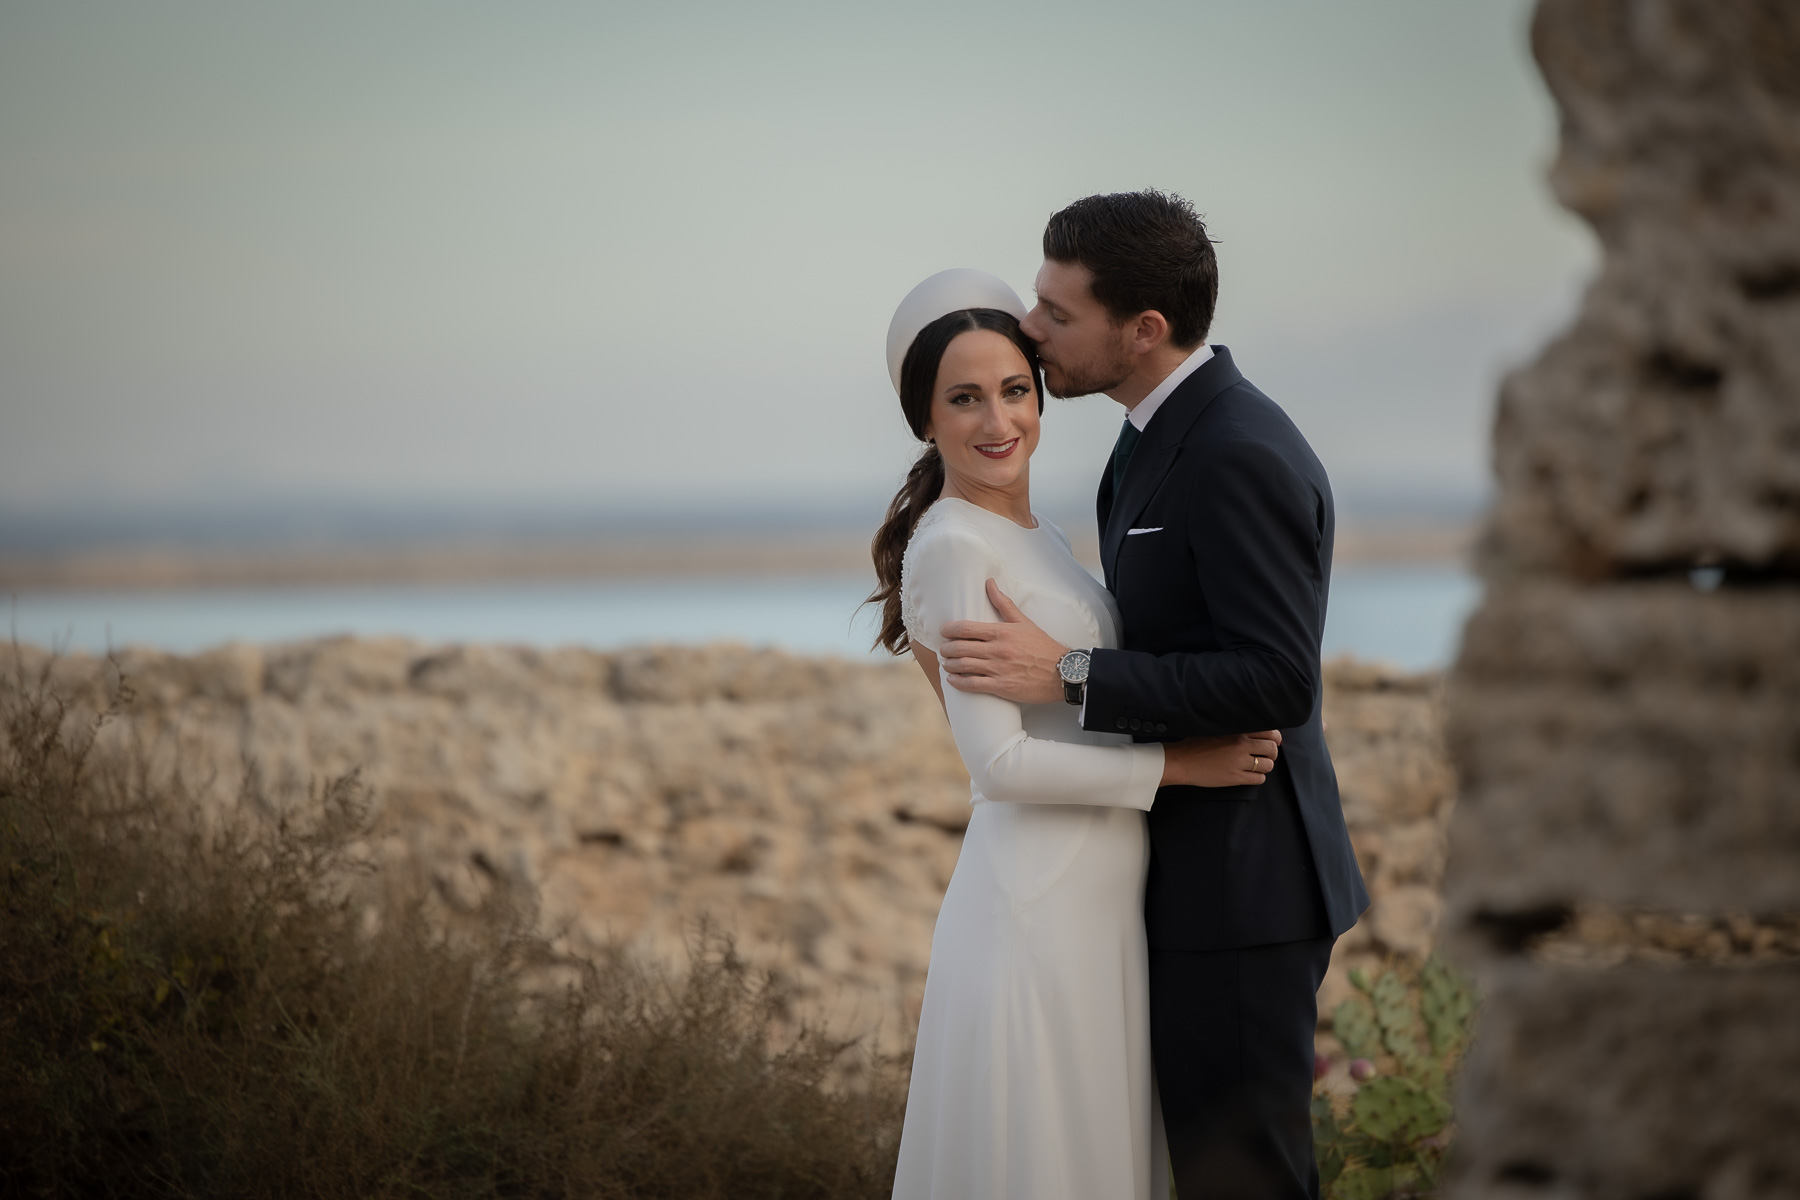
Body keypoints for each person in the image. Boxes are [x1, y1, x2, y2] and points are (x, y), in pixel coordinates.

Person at [936, 192, 1370, 1198]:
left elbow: (1277, 677)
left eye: (1056, 314)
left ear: (1144, 330)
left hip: (1244, 880)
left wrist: (1070, 674)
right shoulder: (1144, 437)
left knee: (1245, 1178)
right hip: (1186, 868)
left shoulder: (1235, 452)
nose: (1030, 332)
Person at [872, 268, 1286, 1200]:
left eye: (1014, 389)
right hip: (1033, 905)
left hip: (1100, 897)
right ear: (924, 419)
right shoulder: (951, 546)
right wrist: (1180, 767)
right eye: (964, 399)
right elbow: (1001, 765)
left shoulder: (1045, 537)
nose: (996, 422)